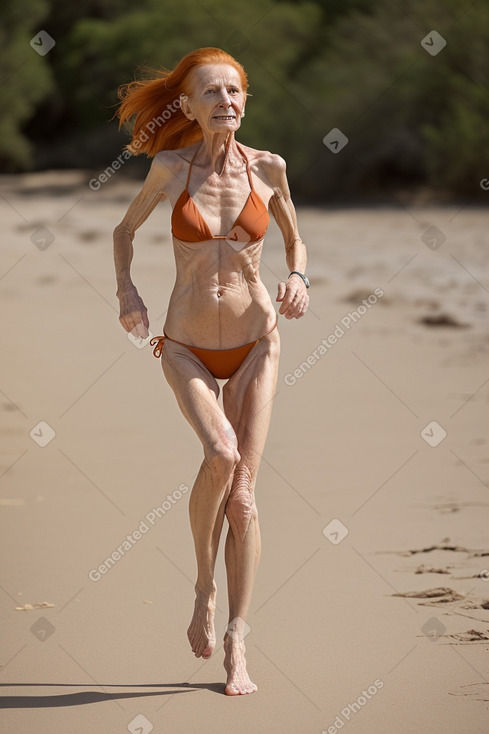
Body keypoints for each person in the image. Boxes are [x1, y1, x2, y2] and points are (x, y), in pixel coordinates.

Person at [113, 47, 309, 696]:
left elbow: (293, 237)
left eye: (234, 89)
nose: (225, 98)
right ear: (188, 108)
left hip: (257, 343)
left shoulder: (270, 168)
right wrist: (129, 295)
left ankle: (237, 642)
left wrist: (299, 276)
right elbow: (124, 232)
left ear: (245, 101)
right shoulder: (169, 169)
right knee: (220, 456)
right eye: (210, 92)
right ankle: (202, 586)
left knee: (245, 498)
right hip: (187, 345)